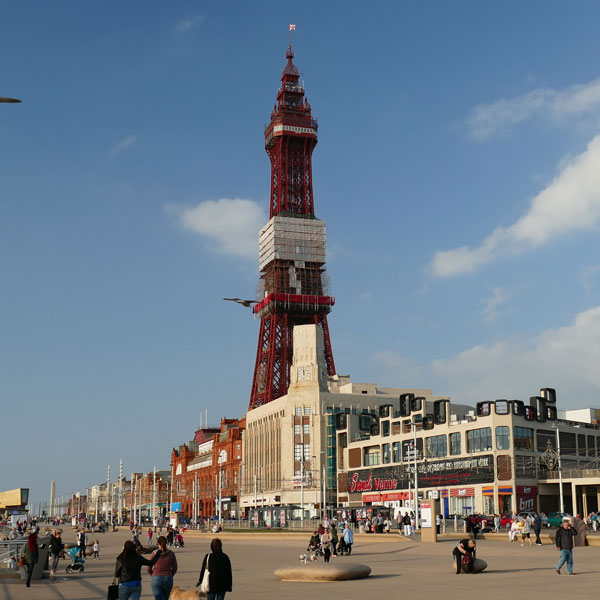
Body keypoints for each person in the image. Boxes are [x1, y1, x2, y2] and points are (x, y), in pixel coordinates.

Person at [148, 535, 177, 600]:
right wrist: (170, 574)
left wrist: (152, 574)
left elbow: (148, 568)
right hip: (168, 577)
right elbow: (175, 568)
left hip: (156, 577)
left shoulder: (154, 553)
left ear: (158, 543)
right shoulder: (171, 553)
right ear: (166, 543)